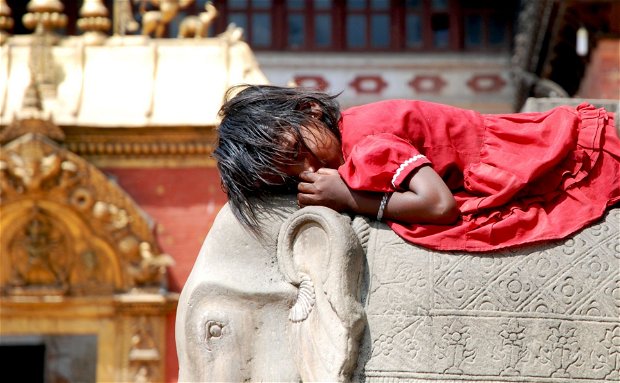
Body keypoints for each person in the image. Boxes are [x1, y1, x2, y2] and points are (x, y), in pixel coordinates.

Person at [213, 84, 620, 252]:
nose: (306, 169)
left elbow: (438, 205)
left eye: (298, 149)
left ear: (311, 110)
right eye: (287, 175)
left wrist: (350, 198)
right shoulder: (353, 137)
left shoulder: (367, 144)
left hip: (553, 156)